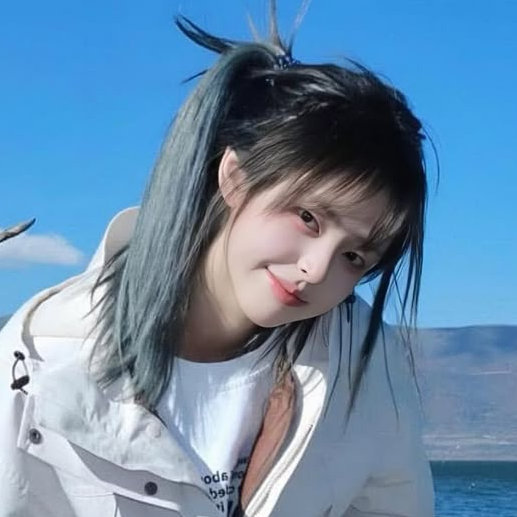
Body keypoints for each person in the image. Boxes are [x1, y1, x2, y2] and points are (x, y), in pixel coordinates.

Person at [0, 5, 435, 516]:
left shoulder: (363, 360)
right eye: (308, 218)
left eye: (354, 256)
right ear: (235, 176)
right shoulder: (42, 361)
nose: (316, 270)